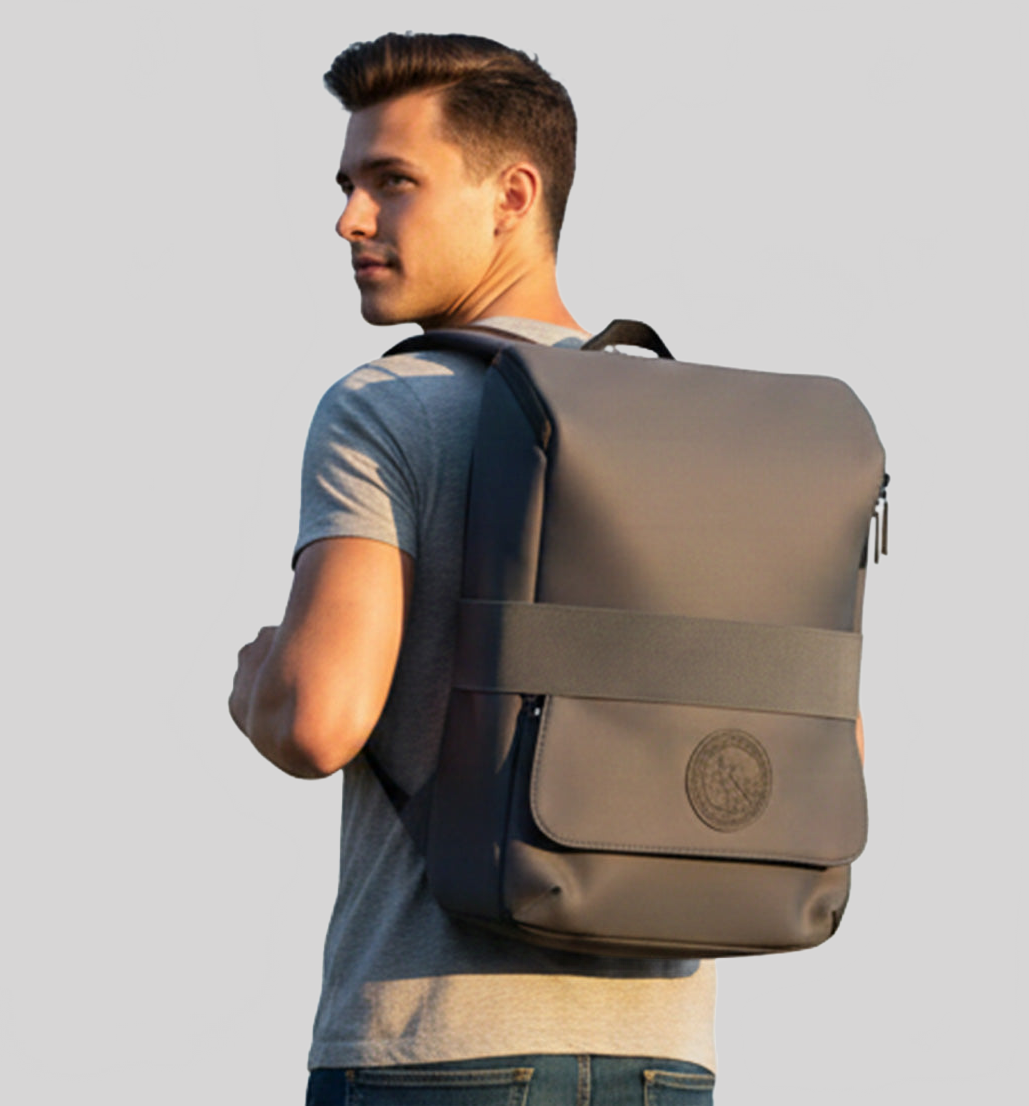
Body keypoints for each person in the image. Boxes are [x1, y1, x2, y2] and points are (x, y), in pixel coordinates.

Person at [229, 32, 718, 1105]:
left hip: (434, 1043)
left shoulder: (385, 407)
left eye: (391, 181)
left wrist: (256, 681)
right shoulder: (702, 429)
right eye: (348, 186)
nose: (351, 219)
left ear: (512, 195)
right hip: (664, 1054)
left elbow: (317, 720)